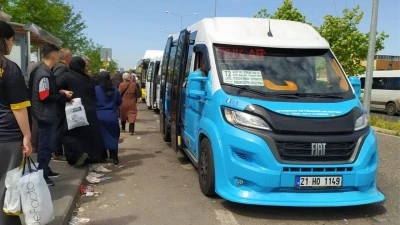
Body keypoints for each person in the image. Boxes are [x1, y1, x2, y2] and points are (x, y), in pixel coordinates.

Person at [0, 20, 32, 225]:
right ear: (3, 41)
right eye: (12, 40)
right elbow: (18, 107)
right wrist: (27, 137)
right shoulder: (8, 68)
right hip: (7, 137)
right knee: (7, 186)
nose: (12, 44)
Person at [31, 43, 73, 186]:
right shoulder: (44, 73)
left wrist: (60, 92)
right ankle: (42, 175)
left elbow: (46, 93)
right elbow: (44, 96)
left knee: (47, 145)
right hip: (45, 114)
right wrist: (62, 95)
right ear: (53, 55)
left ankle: (46, 169)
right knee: (45, 146)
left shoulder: (43, 70)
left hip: (45, 113)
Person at [57, 56, 106, 165]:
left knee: (71, 135)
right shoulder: (89, 79)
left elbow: (55, 89)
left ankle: (76, 157)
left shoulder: (65, 76)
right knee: (88, 136)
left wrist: (64, 93)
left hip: (74, 110)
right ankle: (91, 156)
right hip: (90, 111)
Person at [95, 71, 122, 165]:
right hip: (112, 115)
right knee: (113, 136)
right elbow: (119, 101)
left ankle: (103, 157)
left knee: (101, 137)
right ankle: (114, 157)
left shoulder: (96, 89)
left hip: (99, 116)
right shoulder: (115, 89)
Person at [52, 48, 73, 161]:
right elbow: (57, 85)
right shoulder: (63, 69)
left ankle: (57, 151)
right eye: (71, 56)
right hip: (60, 101)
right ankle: (58, 152)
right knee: (59, 127)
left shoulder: (55, 67)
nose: (72, 58)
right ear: (67, 57)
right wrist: (65, 93)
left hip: (56, 101)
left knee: (57, 126)